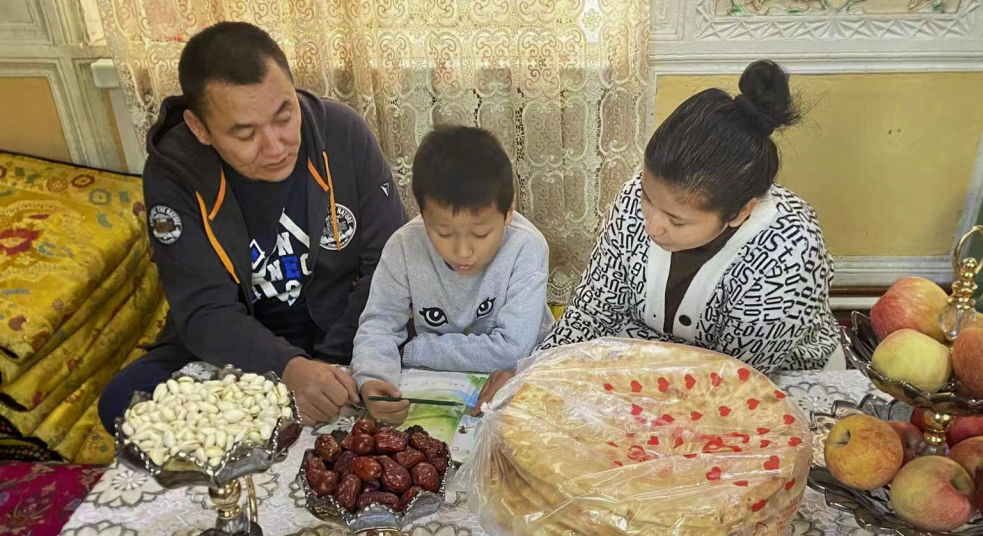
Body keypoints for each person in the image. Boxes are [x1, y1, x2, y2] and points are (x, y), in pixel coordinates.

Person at [473, 59, 838, 413]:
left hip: (760, 385)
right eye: (648, 198)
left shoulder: (790, 249)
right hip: (647, 367)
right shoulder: (634, 198)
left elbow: (733, 385)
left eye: (677, 221)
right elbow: (593, 310)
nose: (651, 226)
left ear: (740, 213)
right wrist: (534, 371)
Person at [97, 22, 407, 431]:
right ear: (200, 128)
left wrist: (332, 364)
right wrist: (287, 369)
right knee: (125, 404)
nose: (276, 147)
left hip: (344, 334)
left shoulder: (342, 133)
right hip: (236, 348)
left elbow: (388, 265)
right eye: (245, 134)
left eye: (285, 116)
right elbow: (204, 310)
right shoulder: (175, 172)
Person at [351, 126, 554, 424]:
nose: (462, 252)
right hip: (440, 381)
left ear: (509, 211)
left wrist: (413, 349)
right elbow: (379, 324)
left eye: (480, 234)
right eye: (443, 233)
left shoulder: (526, 247)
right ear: (422, 214)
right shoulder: (403, 246)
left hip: (519, 379)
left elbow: (511, 349)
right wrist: (373, 377)